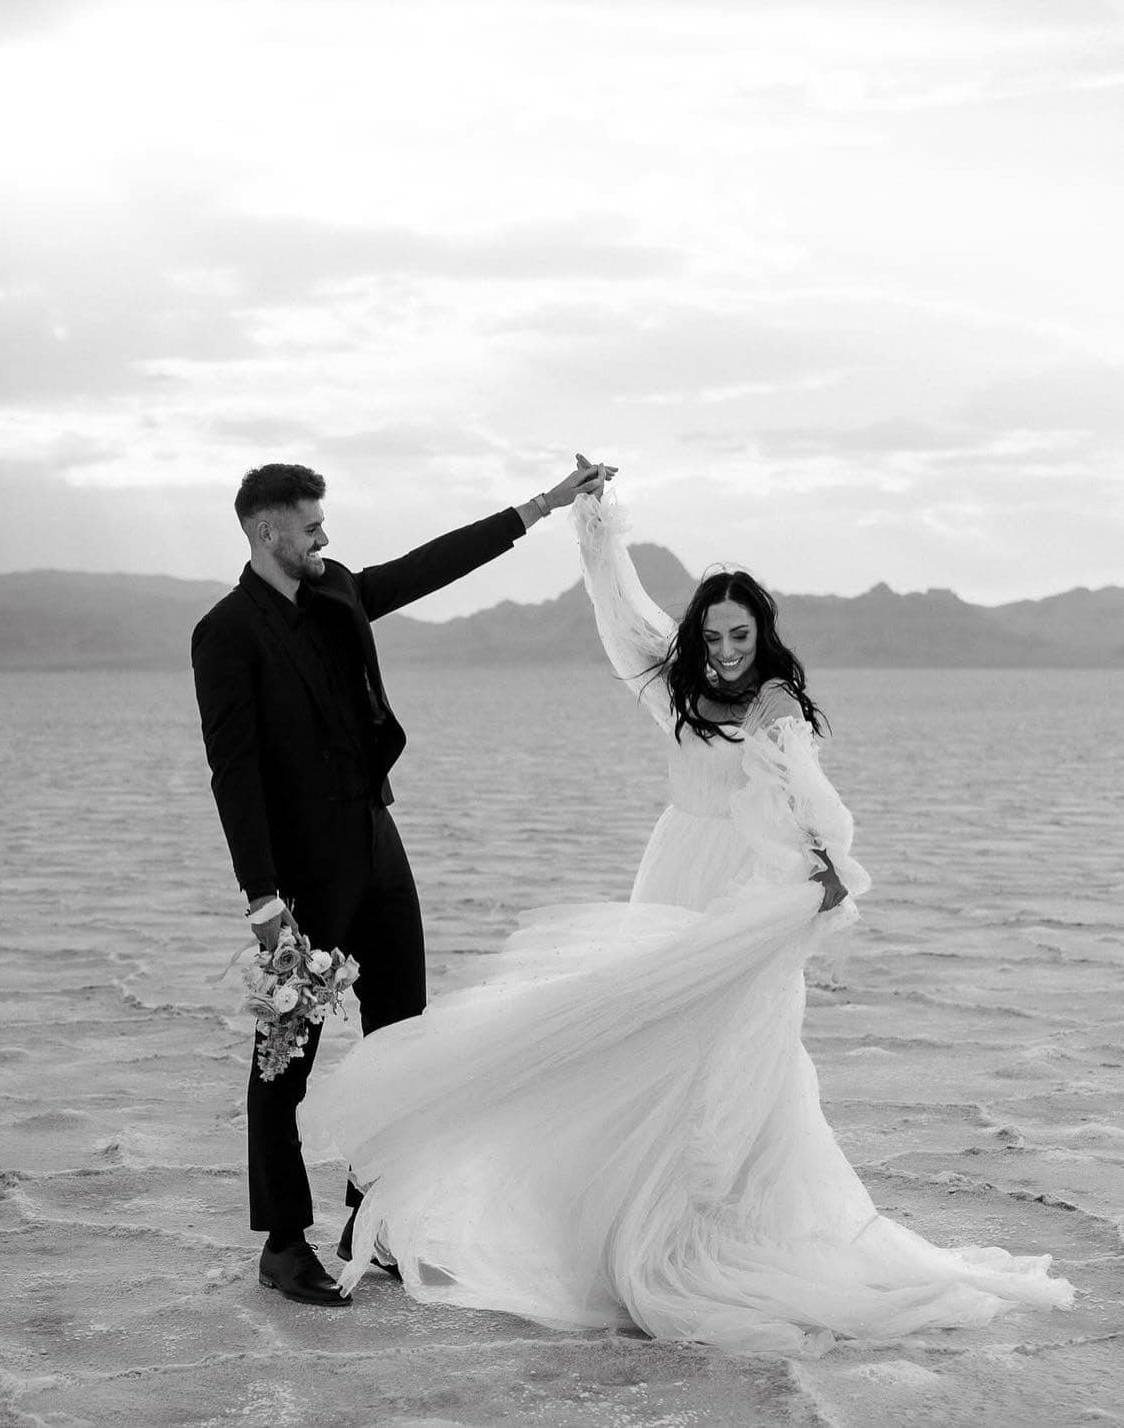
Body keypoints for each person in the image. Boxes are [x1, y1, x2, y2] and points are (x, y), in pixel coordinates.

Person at [302, 469, 1075, 1353]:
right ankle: (632, 1229)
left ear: (763, 632)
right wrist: (596, 531)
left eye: (741, 634)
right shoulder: (673, 687)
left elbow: (809, 797)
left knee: (737, 1057)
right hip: (673, 871)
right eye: (714, 636)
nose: (728, 650)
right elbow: (626, 617)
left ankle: (709, 1236)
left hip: (744, 889)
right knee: (646, 1044)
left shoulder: (777, 705)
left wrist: (828, 866)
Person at [192, 458, 613, 1306]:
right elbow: (231, 773)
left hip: (377, 847)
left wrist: (541, 505)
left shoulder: (337, 592)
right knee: (286, 1058)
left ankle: (370, 1223)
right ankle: (282, 1242)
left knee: (402, 1037)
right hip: (300, 882)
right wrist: (263, 898)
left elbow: (429, 565)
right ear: (268, 532)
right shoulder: (226, 632)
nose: (324, 538)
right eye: (311, 527)